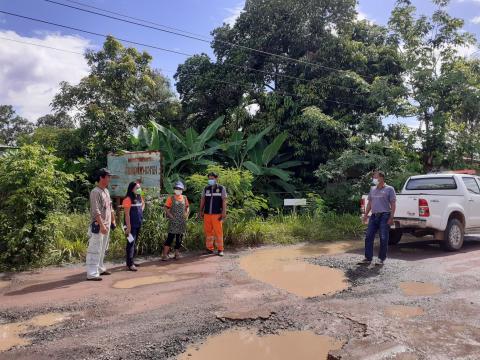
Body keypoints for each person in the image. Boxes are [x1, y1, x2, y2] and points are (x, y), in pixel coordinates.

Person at [86, 168, 116, 281]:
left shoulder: (106, 191)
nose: (109, 179)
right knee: (95, 249)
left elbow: (110, 207)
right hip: (99, 226)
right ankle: (92, 274)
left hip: (106, 225)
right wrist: (102, 225)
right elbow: (96, 211)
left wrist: (113, 220)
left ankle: (100, 268)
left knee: (103, 248)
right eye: (108, 177)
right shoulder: (95, 192)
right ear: (101, 178)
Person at [361, 171, 396, 266]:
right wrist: (365, 215)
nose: (374, 179)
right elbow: (369, 203)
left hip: (385, 216)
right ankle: (368, 258)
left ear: (381, 178)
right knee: (368, 236)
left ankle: (381, 259)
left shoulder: (389, 189)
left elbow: (393, 204)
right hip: (374, 216)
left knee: (383, 237)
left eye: (375, 177)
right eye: (373, 177)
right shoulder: (372, 189)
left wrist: (391, 217)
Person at [199, 172, 227, 256]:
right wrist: (200, 211)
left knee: (218, 232)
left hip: (217, 214)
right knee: (208, 232)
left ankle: (220, 249)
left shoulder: (221, 188)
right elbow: (203, 200)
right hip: (207, 214)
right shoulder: (206, 188)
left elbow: (224, 201)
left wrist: (224, 212)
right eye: (209, 179)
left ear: (216, 178)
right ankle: (209, 248)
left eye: (212, 178)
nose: (210, 180)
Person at [162, 181, 189, 261]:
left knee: (179, 238)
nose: (178, 190)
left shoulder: (184, 197)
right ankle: (164, 255)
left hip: (181, 221)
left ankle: (177, 254)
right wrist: (170, 215)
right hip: (173, 221)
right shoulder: (171, 198)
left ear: (182, 190)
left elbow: (187, 207)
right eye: (176, 188)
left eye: (179, 188)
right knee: (170, 238)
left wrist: (186, 213)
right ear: (174, 189)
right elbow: (166, 207)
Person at [122, 181, 145, 271]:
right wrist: (128, 227)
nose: (139, 189)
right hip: (129, 226)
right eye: (137, 188)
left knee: (134, 243)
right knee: (130, 243)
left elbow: (143, 204)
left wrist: (140, 211)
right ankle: (130, 264)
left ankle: (132, 261)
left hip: (138, 224)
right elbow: (127, 215)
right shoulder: (127, 199)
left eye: (139, 187)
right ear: (131, 189)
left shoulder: (139, 196)